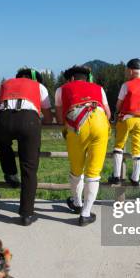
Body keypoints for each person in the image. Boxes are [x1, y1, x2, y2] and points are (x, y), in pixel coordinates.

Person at [0, 67, 53, 226]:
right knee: (29, 168)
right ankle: (26, 214)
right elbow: (47, 114)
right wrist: (44, 123)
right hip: (28, 120)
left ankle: (10, 172)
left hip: (5, 119)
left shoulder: (6, 84)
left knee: (2, 143)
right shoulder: (38, 86)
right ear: (35, 79)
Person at [55, 65, 111, 226]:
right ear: (86, 78)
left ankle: (77, 204)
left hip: (77, 126)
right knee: (93, 173)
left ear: (71, 78)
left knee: (76, 169)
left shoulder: (62, 89)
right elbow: (107, 113)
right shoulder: (98, 88)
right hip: (100, 122)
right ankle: (85, 214)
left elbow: (60, 116)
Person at [108, 58, 140, 186]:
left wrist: (117, 113)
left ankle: (116, 176)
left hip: (126, 118)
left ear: (130, 71)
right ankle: (135, 178)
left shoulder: (126, 85)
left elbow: (118, 104)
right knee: (137, 147)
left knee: (119, 145)